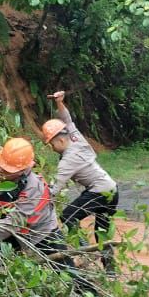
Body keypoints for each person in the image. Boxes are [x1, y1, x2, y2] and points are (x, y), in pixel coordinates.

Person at [0, 137, 91, 293]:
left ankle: (87, 296)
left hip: (41, 230)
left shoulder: (33, 188)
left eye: (9, 171)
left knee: (66, 270)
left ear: (24, 169)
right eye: (3, 167)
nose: (3, 172)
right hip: (3, 223)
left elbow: (12, 224)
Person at [41, 90, 120, 273]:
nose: (52, 149)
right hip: (111, 189)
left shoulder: (69, 160)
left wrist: (39, 198)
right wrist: (60, 102)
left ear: (60, 140)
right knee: (102, 233)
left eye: (52, 144)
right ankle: (111, 272)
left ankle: (85, 251)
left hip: (100, 191)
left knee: (68, 216)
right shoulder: (75, 138)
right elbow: (67, 120)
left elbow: (54, 190)